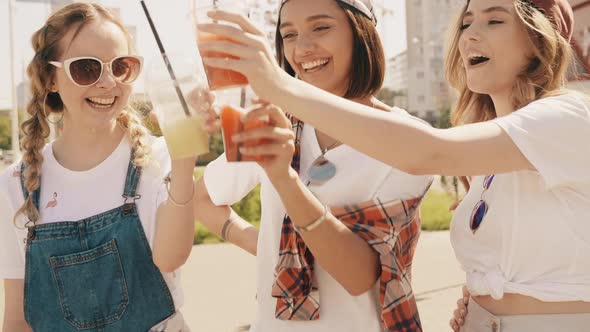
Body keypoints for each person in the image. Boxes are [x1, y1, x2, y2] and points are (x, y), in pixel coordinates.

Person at [197, 0, 590, 330]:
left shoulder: (566, 115)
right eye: (466, 21)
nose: (468, 34)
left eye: (494, 19)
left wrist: (278, 90)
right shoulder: (488, 163)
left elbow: (427, 153)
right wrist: (478, 305)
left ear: (541, 39)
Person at [194, 0, 432, 331]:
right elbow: (202, 199)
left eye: (321, 27)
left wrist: (284, 178)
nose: (303, 48)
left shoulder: (406, 140)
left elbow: (359, 276)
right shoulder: (277, 122)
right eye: (288, 34)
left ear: (361, 34)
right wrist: (267, 244)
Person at [0, 3, 203, 331]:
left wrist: (185, 158)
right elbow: (16, 319)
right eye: (86, 68)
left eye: (121, 66)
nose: (108, 83)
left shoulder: (158, 158)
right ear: (51, 78)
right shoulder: (14, 185)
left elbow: (172, 258)